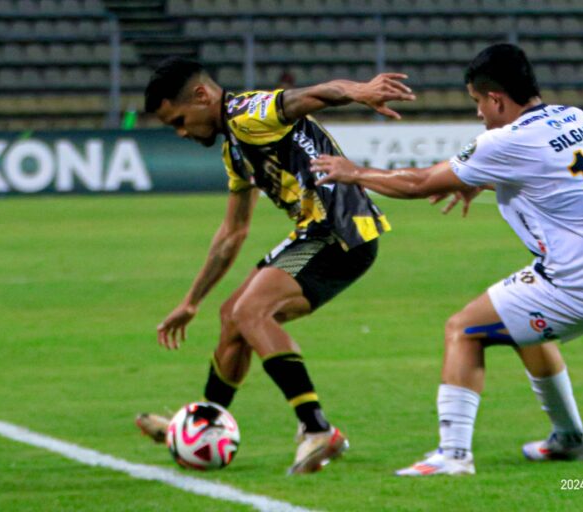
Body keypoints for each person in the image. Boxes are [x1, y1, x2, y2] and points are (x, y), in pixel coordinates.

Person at [311, 43, 583, 476]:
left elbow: (418, 182)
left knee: (464, 329)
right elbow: (553, 181)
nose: (479, 113)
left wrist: (355, 172)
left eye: (478, 102)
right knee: (526, 328)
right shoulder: (575, 118)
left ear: (496, 98)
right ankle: (571, 440)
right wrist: (482, 182)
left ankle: (453, 455)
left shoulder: (505, 140)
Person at [136, 57, 415, 474]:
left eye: (179, 120)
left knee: (252, 311)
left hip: (339, 232)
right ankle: (203, 426)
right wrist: (191, 301)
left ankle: (317, 429)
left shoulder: (246, 113)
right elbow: (233, 232)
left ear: (201, 96)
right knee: (232, 316)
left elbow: (309, 97)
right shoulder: (235, 147)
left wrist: (357, 90)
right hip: (315, 232)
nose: (181, 132)